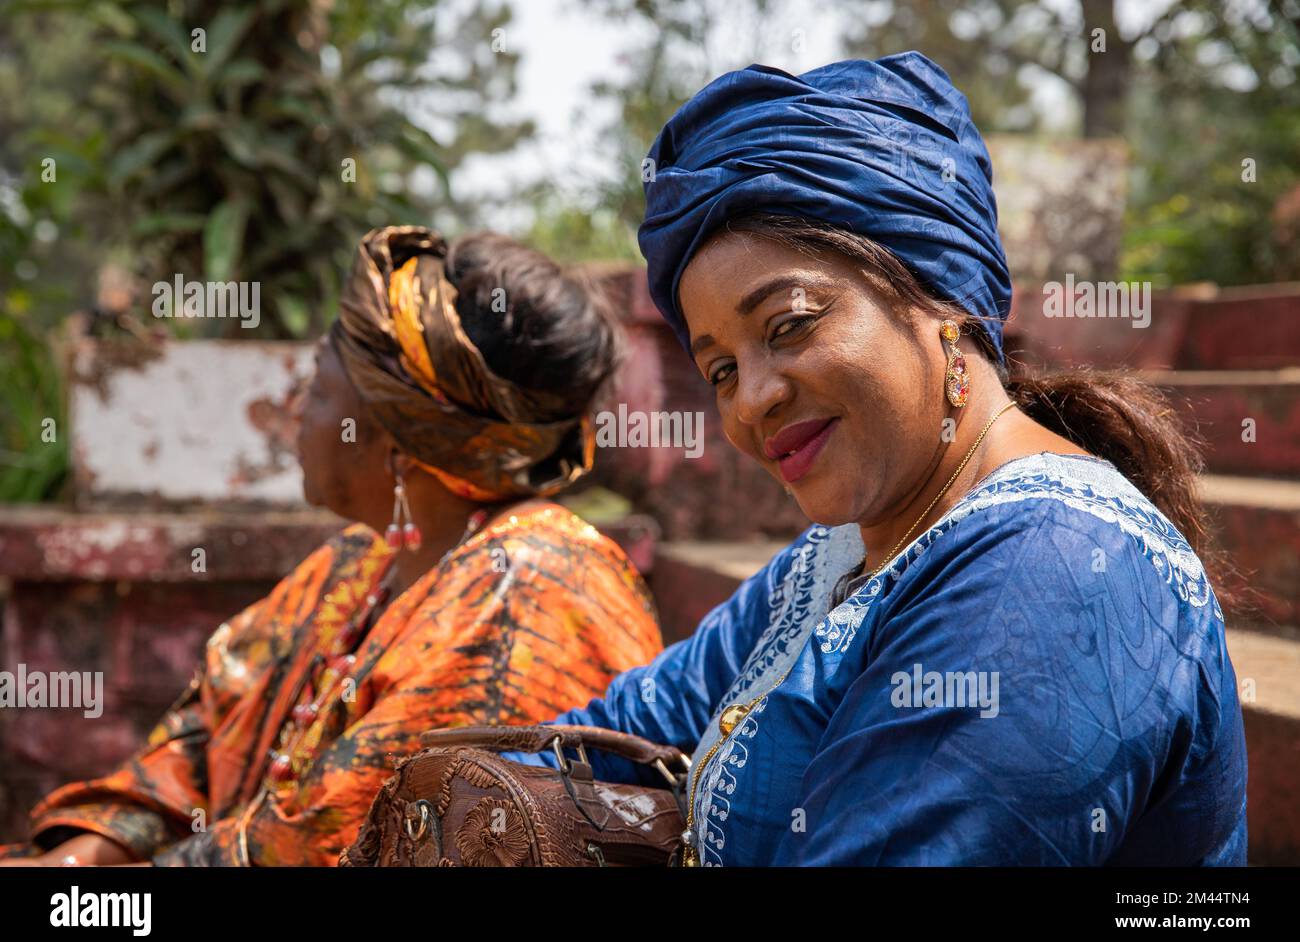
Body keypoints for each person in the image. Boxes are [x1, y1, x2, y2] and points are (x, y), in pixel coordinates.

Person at [511, 54, 1248, 865]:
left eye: (789, 324)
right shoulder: (840, 556)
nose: (750, 400)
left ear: (941, 297)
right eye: (720, 369)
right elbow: (614, 732)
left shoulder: (1051, 572)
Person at [0, 226, 661, 866]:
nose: (290, 406)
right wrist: (80, 860)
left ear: (401, 437)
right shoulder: (362, 563)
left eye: (316, 385)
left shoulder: (521, 600)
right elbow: (207, 736)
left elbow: (320, 845)